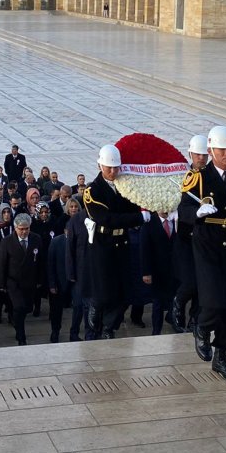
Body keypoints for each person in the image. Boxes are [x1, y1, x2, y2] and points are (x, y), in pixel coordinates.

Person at [181, 126, 226, 382]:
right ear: (211, 151)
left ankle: (222, 356)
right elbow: (184, 209)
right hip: (209, 245)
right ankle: (201, 327)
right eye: (223, 149)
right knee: (213, 299)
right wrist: (196, 214)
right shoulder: (198, 178)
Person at [83, 144, 149, 340]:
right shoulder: (92, 191)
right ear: (100, 166)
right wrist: (138, 218)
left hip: (122, 243)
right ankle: (96, 308)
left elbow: (130, 207)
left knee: (123, 293)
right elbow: (107, 218)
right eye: (108, 167)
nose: (112, 172)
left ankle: (108, 328)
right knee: (104, 292)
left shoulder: (124, 186)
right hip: (103, 244)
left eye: (115, 167)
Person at [172, 134, 207, 333]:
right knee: (190, 282)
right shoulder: (184, 178)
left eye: (204, 154)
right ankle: (177, 306)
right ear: (191, 155)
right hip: (187, 238)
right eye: (197, 154)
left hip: (207, 239)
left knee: (203, 284)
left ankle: (195, 319)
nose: (201, 158)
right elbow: (182, 208)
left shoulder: (211, 177)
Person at [0, 214, 45, 345]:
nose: (24, 231)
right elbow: (2, 263)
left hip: (30, 281)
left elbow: (41, 261)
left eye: (26, 228)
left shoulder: (36, 239)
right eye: (21, 229)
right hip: (14, 282)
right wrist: (1, 283)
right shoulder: (7, 241)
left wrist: (41, 280)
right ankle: (21, 335)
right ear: (15, 228)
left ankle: (17, 322)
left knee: (26, 308)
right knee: (19, 307)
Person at [140, 210, 174, 335]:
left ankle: (174, 321)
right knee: (158, 302)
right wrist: (146, 272)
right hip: (157, 270)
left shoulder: (175, 220)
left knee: (174, 299)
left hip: (174, 269)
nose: (165, 210)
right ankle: (156, 330)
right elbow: (144, 249)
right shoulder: (149, 223)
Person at [64, 197, 91, 342]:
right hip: (78, 272)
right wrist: (71, 273)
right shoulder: (74, 222)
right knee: (79, 305)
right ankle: (74, 332)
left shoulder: (97, 218)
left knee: (90, 306)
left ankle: (89, 333)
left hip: (92, 271)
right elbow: (70, 251)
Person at [46, 228, 71, 343]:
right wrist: (52, 283)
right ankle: (55, 331)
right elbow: (50, 264)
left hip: (76, 282)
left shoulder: (81, 240)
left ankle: (75, 332)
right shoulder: (56, 242)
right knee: (56, 310)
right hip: (59, 282)